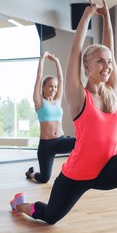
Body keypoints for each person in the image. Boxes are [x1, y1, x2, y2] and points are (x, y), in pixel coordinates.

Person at [9, 0, 117, 233]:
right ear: (86, 66)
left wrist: (107, 17)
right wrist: (87, 16)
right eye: (100, 61)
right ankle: (20, 205)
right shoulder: (78, 96)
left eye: (109, 62)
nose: (107, 66)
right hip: (76, 175)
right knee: (50, 216)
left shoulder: (112, 93)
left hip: (107, 171)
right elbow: (76, 49)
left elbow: (111, 49)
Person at [24, 51, 75, 183]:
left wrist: (57, 61)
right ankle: (31, 174)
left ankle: (75, 171)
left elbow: (61, 79)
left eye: (56, 87)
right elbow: (39, 77)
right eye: (51, 86)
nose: (54, 89)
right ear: (44, 87)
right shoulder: (39, 102)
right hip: (47, 145)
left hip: (61, 141)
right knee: (44, 178)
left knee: (81, 141)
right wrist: (42, 59)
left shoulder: (57, 101)